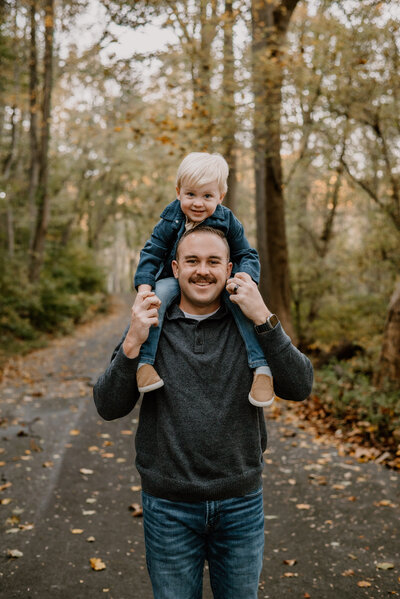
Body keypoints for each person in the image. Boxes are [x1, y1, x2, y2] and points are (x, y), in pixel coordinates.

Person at [93, 226, 313, 599]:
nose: (202, 271)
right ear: (175, 268)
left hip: (241, 504)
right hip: (168, 508)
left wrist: (263, 316)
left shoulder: (249, 324)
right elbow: (109, 406)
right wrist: (132, 342)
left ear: (230, 270)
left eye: (214, 262)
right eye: (192, 261)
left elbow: (299, 386)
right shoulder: (151, 326)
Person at [134, 151, 274, 407]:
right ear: (179, 192)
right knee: (158, 297)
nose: (198, 203)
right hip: (174, 278)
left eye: (207, 196)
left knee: (238, 299)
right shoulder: (170, 217)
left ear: (220, 197)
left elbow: (246, 253)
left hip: (218, 279)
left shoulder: (227, 220)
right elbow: (152, 251)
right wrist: (144, 287)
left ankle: (261, 368)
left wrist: (246, 278)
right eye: (191, 195)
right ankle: (145, 363)